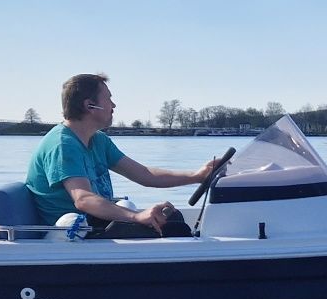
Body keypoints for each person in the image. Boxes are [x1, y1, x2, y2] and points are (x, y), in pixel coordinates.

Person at [25, 72, 223, 238]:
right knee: (172, 229)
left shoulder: (98, 140)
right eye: (108, 98)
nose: (114, 105)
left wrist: (197, 176)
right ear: (90, 106)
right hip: (73, 234)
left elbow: (145, 175)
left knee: (172, 218)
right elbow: (83, 199)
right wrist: (137, 216)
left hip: (95, 223)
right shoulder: (63, 145)